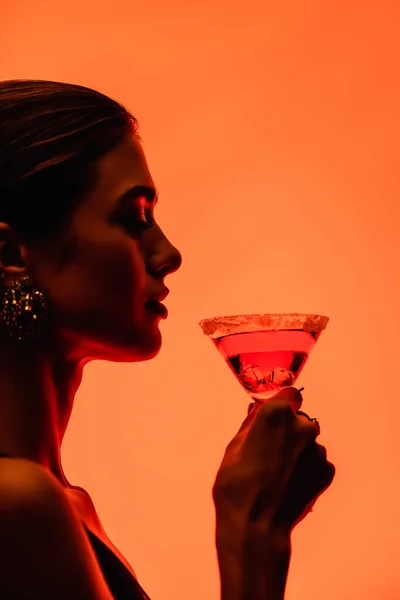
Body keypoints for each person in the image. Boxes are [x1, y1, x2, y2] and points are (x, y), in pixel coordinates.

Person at [0, 79, 335, 600]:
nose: (170, 252)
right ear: (9, 255)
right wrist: (254, 535)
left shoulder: (68, 504)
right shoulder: (15, 503)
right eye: (136, 217)